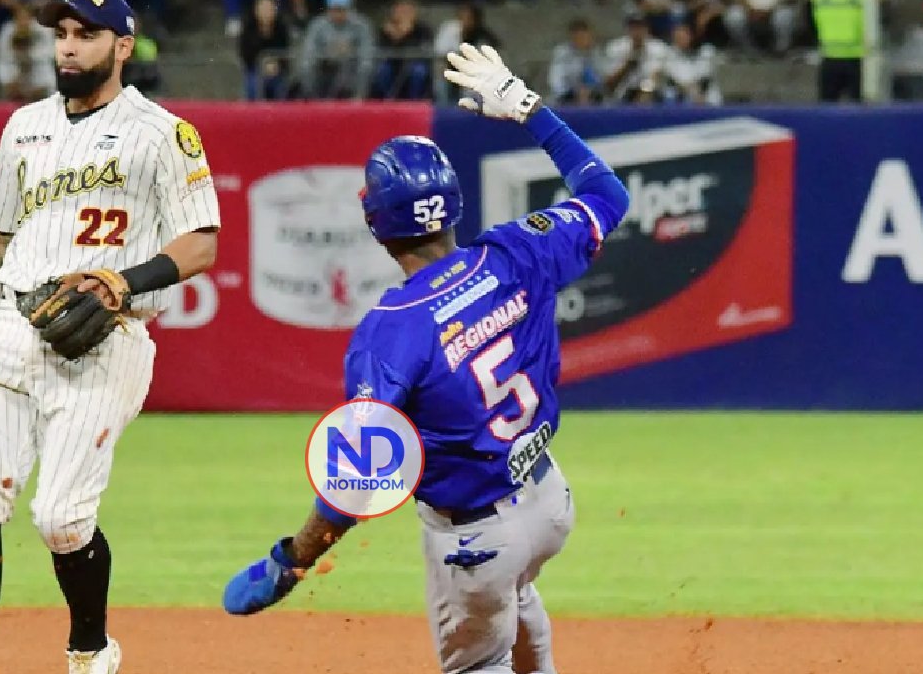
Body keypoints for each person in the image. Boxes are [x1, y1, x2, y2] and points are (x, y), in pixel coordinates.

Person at [222, 43, 631, 674]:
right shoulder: (518, 251)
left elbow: (356, 481)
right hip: (549, 500)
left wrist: (292, 560)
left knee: (477, 662)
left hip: (474, 537)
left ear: (376, 224)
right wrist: (529, 110)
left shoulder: (390, 333)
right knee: (517, 600)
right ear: (454, 203)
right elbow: (607, 193)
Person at [0, 0, 221, 673]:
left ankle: (92, 650)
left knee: (60, 517)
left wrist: (124, 281)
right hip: (14, 324)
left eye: (87, 34)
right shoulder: (24, 127)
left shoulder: (162, 132)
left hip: (109, 336)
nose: (68, 46)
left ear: (123, 46)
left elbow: (201, 244)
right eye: (62, 33)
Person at [297, 0, 375, 99]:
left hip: (352, 69)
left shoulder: (361, 25)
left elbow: (367, 53)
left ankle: (358, 98)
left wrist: (351, 52)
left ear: (349, 9)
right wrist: (327, 53)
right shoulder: (317, 25)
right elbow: (309, 52)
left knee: (365, 66)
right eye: (334, 10)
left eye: (341, 10)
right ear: (328, 9)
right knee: (306, 67)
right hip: (324, 70)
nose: (338, 14)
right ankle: (314, 101)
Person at [373, 0, 433, 100]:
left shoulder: (423, 29)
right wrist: (395, 37)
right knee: (382, 71)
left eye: (407, 11)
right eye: (400, 10)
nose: (403, 14)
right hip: (392, 64)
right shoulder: (386, 30)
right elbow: (381, 51)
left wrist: (406, 34)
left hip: (414, 64)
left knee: (419, 72)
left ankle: (414, 102)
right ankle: (388, 101)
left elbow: (423, 50)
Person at [239, 0, 293, 100]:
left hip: (276, 70)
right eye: (263, 9)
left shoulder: (281, 28)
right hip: (254, 69)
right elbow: (245, 53)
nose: (267, 12)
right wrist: (262, 65)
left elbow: (285, 52)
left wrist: (277, 65)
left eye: (269, 8)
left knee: (281, 86)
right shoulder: (249, 28)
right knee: (254, 85)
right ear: (256, 10)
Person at [548, 18, 605, 106]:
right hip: (567, 98)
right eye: (578, 36)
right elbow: (556, 81)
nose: (582, 39)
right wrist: (575, 91)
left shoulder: (596, 53)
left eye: (584, 36)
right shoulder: (562, 53)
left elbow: (601, 78)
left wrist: (589, 90)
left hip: (593, 96)